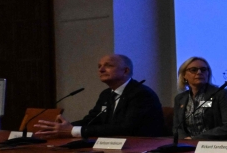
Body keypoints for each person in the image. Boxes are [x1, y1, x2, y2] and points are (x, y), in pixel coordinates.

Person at [33, 54, 164, 139]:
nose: (101, 70)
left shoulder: (141, 94)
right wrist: (61, 128)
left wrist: (73, 131)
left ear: (125, 71)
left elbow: (126, 128)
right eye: (99, 66)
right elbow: (92, 120)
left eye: (108, 66)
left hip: (141, 150)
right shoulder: (106, 94)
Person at [172, 56, 227, 140]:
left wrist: (195, 139)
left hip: (214, 144)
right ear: (184, 75)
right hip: (187, 145)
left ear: (208, 73)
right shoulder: (180, 98)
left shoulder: (221, 94)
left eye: (203, 69)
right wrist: (184, 141)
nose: (199, 72)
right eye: (193, 70)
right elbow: (177, 128)